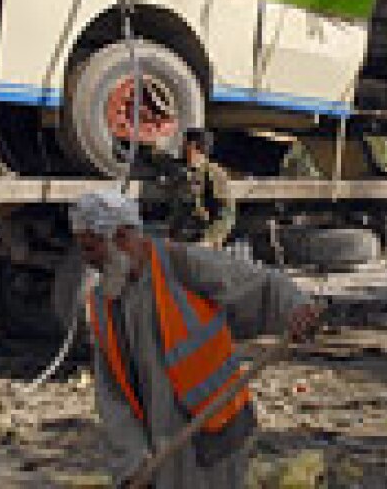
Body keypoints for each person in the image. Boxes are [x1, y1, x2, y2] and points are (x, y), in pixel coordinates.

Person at [69, 191, 323, 489]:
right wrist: (130, 460)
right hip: (157, 449)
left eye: (91, 248)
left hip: (214, 434)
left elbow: (261, 284)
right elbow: (111, 394)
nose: (88, 260)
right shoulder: (103, 303)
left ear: (122, 237)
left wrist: (296, 308)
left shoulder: (182, 265)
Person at [171, 131, 236, 249]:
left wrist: (209, 239)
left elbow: (226, 213)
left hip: (201, 239)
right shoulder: (181, 170)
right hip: (180, 238)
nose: (182, 147)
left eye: (185, 143)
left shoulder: (213, 173)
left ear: (193, 146)